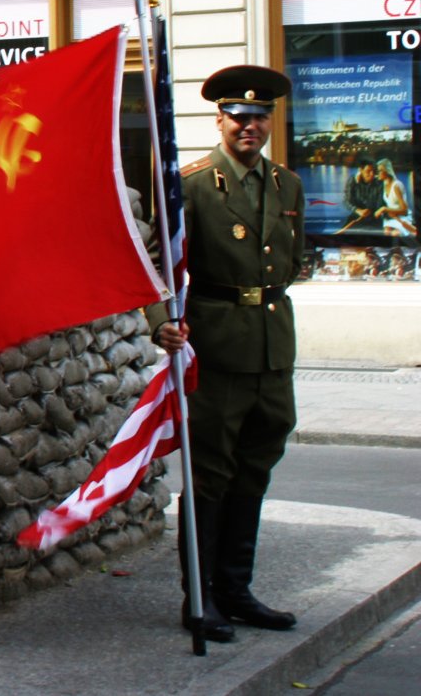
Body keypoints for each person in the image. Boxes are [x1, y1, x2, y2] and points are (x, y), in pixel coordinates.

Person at [149, 64, 304, 644]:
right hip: (213, 348)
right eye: (239, 117)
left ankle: (237, 589)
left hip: (271, 350)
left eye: (260, 117)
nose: (250, 126)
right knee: (211, 476)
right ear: (219, 120)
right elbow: (157, 266)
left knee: (255, 471)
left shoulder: (286, 185)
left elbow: (291, 265)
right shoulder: (189, 186)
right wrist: (161, 324)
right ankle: (202, 596)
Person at [339, 159, 385, 234]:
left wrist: (368, 211)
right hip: (356, 217)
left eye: (374, 171)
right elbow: (346, 201)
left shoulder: (379, 183)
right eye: (368, 171)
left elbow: (379, 204)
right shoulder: (353, 181)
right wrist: (358, 210)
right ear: (361, 170)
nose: (372, 174)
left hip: (374, 219)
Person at [375, 158, 416, 240]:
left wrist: (384, 209)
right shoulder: (384, 183)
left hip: (402, 217)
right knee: (386, 233)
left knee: (395, 234)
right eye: (377, 170)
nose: (377, 173)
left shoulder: (396, 186)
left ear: (387, 171)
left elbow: (404, 211)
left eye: (380, 171)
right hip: (391, 217)